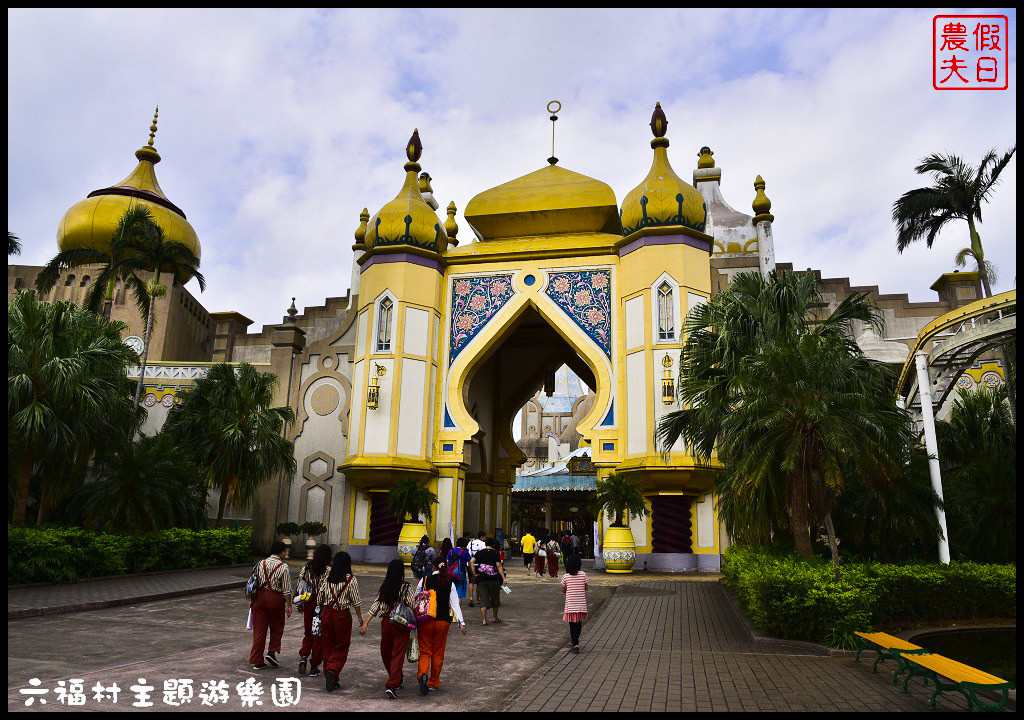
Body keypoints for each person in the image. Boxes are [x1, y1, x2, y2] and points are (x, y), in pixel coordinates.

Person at [359, 559, 416, 699]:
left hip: (386, 623)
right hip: (401, 624)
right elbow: (412, 605)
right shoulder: (406, 587)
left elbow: (375, 605)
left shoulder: (385, 586)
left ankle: (394, 679)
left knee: (386, 652)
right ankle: (393, 682)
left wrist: (365, 623)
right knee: (397, 654)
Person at [416, 559, 467, 694]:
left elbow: (416, 597)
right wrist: (461, 623)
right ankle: (433, 682)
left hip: (426, 620)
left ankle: (423, 675)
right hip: (443, 622)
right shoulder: (449, 582)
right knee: (438, 652)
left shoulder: (425, 580)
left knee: (425, 650)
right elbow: (455, 603)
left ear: (433, 566)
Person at [317, 551, 363, 692]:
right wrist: (360, 618)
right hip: (342, 615)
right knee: (342, 646)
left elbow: (320, 599)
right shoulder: (350, 580)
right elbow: (356, 601)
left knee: (327, 646)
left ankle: (331, 677)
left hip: (327, 614)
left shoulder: (327, 579)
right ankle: (332, 669)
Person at [249, 541, 292, 670]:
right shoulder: (283, 567)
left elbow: (252, 582)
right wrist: (289, 605)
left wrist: (253, 600)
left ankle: (257, 660)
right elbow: (287, 589)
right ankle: (272, 652)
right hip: (275, 599)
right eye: (285, 551)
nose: (285, 554)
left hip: (259, 598)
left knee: (259, 631)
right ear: (280, 552)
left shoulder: (260, 563)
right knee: (277, 627)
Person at [297, 543, 332, 677]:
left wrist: (300, 604)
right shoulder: (329, 570)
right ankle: (314, 666)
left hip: (309, 602)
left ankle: (303, 657)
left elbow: (301, 586)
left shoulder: (307, 567)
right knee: (318, 635)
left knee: (308, 633)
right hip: (321, 605)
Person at [470, 537, 507, 625]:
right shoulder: (495, 553)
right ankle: (494, 618)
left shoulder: (480, 552)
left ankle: (484, 620)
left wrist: (474, 574)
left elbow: (471, 561)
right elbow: (499, 566)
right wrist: (504, 578)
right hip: (493, 579)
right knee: (495, 599)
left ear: (485, 544)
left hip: (482, 579)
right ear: (493, 545)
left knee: (483, 600)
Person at [561, 552, 589, 654]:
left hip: (570, 605)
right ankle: (576, 641)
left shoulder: (566, 577)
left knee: (572, 625)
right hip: (581, 604)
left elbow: (564, 590)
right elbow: (586, 587)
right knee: (578, 624)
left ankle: (575, 644)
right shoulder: (583, 575)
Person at [466, 531, 486, 606]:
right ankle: (477, 599)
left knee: (471, 582)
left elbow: (468, 552)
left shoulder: (470, 543)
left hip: (470, 565)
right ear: (482, 537)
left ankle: (471, 598)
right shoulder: (483, 544)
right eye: (484, 537)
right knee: (479, 583)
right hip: (479, 565)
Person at [447, 537, 470, 602]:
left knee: (451, 591)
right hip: (461, 575)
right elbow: (469, 563)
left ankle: (451, 609)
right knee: (459, 594)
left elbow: (447, 562)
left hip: (451, 574)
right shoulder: (465, 552)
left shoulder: (450, 551)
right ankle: (457, 609)